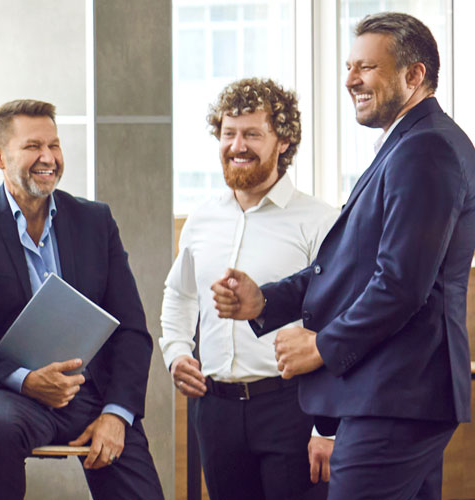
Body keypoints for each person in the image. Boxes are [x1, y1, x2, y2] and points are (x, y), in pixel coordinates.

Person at [212, 13, 475, 499]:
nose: (350, 79)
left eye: (366, 67)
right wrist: (265, 303)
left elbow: (400, 285)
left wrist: (320, 347)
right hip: (397, 397)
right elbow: (350, 269)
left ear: (414, 75)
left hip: (394, 398)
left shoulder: (426, 150)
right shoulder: (405, 145)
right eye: (348, 65)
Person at [0, 99, 163, 500]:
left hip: (90, 394)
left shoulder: (95, 221)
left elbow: (132, 330)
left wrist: (117, 413)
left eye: (54, 145)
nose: (48, 158)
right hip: (8, 392)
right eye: (34, 146)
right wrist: (26, 381)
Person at [159, 78, 335, 500]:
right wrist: (177, 351)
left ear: (284, 141)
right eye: (228, 133)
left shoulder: (319, 221)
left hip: (291, 407)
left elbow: (337, 321)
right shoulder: (201, 220)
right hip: (215, 409)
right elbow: (180, 294)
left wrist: (327, 427)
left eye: (253, 134)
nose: (237, 145)